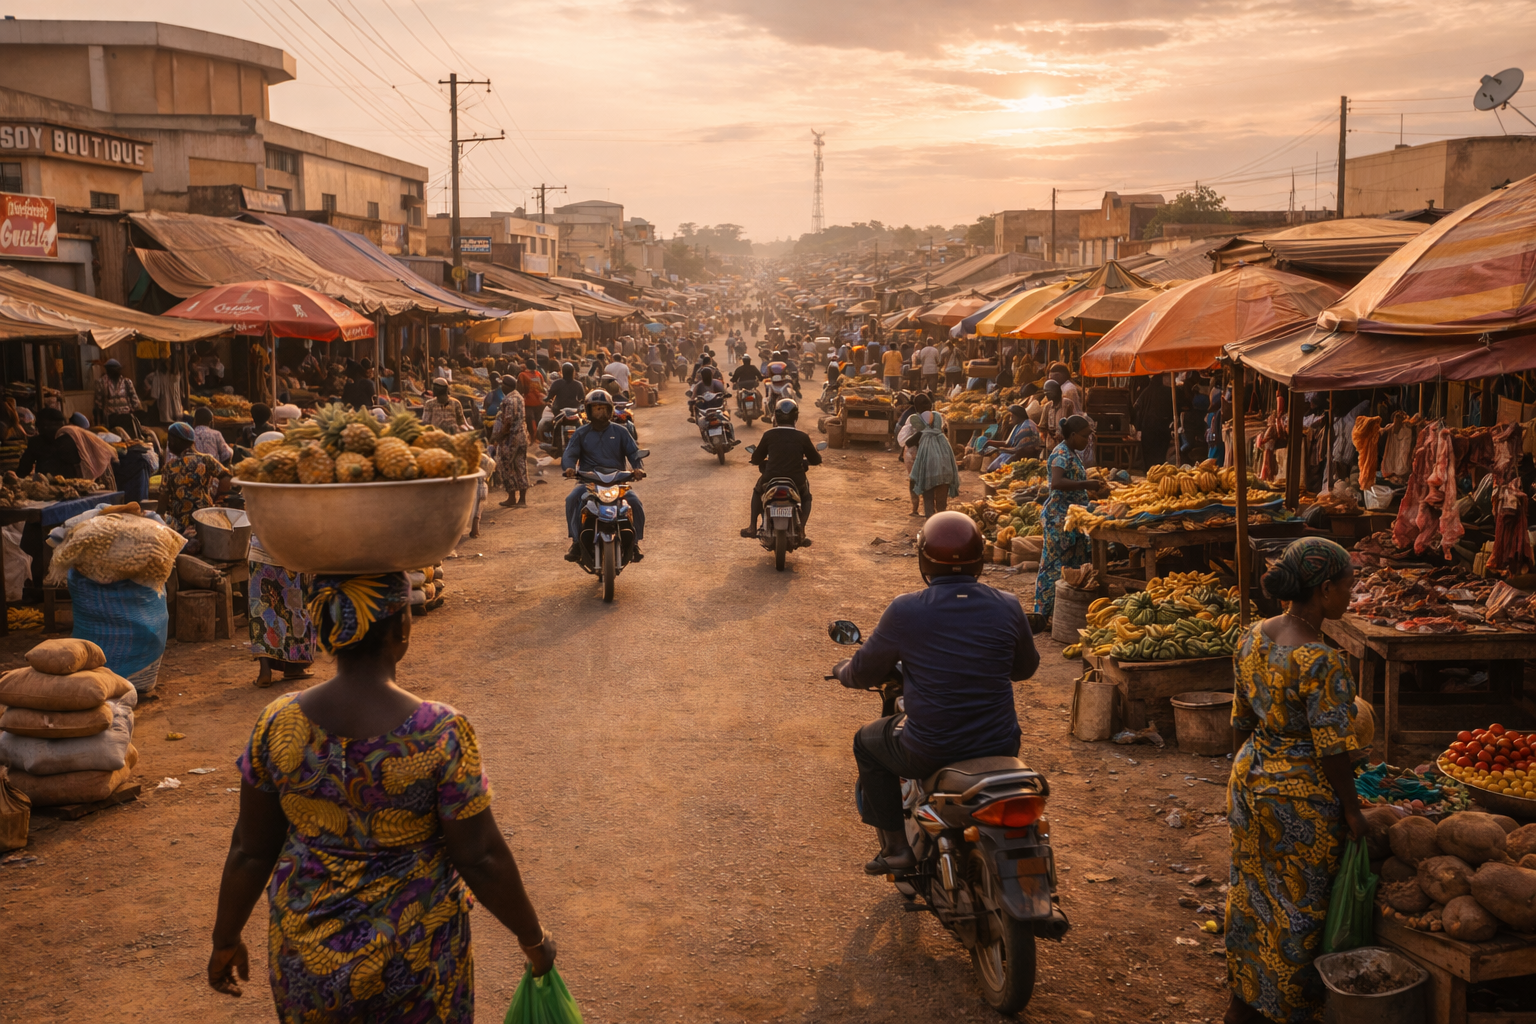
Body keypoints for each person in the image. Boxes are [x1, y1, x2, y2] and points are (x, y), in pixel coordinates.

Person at [208, 572, 556, 1018]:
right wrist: (534, 939)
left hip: (309, 966)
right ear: (402, 627)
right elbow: (481, 858)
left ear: (328, 631)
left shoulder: (278, 722)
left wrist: (225, 939)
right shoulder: (439, 731)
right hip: (416, 965)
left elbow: (251, 849)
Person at [834, 511, 1039, 874]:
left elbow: (864, 670)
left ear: (923, 559)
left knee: (866, 743)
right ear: (980, 558)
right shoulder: (1007, 604)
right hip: (1002, 744)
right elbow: (1025, 669)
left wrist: (843, 672)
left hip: (930, 748)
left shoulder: (906, 610)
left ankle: (897, 847)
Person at [1225, 538, 1364, 1024]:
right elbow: (1333, 750)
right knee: (1298, 911)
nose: (1352, 593)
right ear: (1325, 590)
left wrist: (1245, 774)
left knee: (1251, 897)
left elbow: (1241, 719)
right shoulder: (1323, 661)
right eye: (1349, 585)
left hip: (1249, 780)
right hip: (1299, 799)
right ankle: (1288, 1009)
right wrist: (1352, 809)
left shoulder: (1250, 635)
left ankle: (1244, 1001)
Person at [1034, 415, 1107, 620]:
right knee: (1054, 566)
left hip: (1072, 519)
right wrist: (1086, 485)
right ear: (1073, 435)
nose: (1088, 441)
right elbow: (1056, 482)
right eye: (1085, 436)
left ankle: (1063, 614)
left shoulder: (1072, 453)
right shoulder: (1060, 454)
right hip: (1059, 519)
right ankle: (1043, 615)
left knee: (1073, 568)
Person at [561, 389, 646, 562]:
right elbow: (570, 454)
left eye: (603, 408)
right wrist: (569, 468)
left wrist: (637, 469)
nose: (600, 412)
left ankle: (635, 543)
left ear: (610, 410)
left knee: (635, 503)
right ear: (589, 411)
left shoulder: (621, 431)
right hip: (588, 482)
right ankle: (576, 542)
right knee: (572, 499)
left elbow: (634, 453)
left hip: (618, 482)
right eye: (596, 408)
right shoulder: (581, 433)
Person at [742, 399, 821, 539]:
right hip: (796, 480)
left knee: (757, 492)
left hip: (770, 477)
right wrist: (805, 461)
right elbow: (816, 459)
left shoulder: (769, 435)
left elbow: (756, 458)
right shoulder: (802, 437)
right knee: (806, 497)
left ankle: (752, 527)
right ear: (796, 417)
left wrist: (757, 460)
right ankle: (801, 530)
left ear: (776, 416)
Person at [247, 530, 315, 689]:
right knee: (294, 611)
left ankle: (265, 670)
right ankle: (293, 666)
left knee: (262, 612)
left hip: (260, 551)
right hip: (291, 552)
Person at [159, 422, 231, 541]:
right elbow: (227, 477)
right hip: (204, 520)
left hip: (180, 524)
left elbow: (163, 497)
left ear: (173, 441)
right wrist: (218, 497)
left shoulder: (169, 467)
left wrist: (159, 515)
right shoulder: (206, 459)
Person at [906, 397, 960, 516]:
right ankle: (941, 521)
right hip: (945, 464)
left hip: (929, 468)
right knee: (941, 503)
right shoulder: (938, 417)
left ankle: (930, 521)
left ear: (917, 408)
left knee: (928, 498)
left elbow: (909, 442)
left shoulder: (919, 422)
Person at [490, 383, 529, 508]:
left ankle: (512, 497)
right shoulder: (519, 397)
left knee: (507, 465)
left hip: (511, 439)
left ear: (506, 387)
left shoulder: (508, 400)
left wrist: (499, 436)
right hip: (522, 436)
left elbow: (507, 422)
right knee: (521, 465)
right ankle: (522, 500)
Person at [18, 407, 82, 478]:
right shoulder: (72, 438)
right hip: (69, 482)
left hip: (50, 483)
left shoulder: (37, 442)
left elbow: (23, 469)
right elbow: (24, 468)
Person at [984, 404, 1043, 472]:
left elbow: (1020, 451)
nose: (1010, 419)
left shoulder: (1026, 427)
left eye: (1012, 417)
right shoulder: (1018, 425)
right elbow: (1007, 443)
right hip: (1013, 454)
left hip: (1022, 459)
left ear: (1017, 416)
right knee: (990, 469)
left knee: (993, 471)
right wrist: (990, 442)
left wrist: (998, 449)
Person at [1134, 376, 1174, 470]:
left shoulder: (1145, 392)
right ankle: (1159, 473)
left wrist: (1138, 427)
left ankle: (1150, 473)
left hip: (1148, 429)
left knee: (1149, 457)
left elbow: (1136, 409)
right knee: (1160, 457)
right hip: (1163, 429)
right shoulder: (1168, 392)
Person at [94, 358, 141, 435]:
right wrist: (99, 422)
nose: (112, 371)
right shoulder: (102, 382)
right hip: (111, 418)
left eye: (115, 369)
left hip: (126, 417)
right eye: (110, 370)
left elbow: (135, 401)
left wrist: (132, 412)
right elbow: (98, 404)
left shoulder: (127, 382)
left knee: (131, 439)